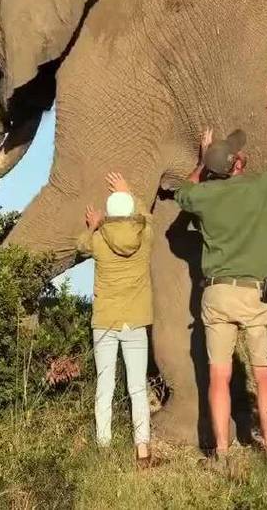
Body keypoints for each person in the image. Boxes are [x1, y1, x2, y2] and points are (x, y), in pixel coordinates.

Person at [165, 81, 267, 463]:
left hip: (216, 296)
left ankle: (224, 451)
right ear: (239, 164)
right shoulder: (262, 188)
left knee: (218, 377)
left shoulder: (204, 196)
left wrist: (202, 159)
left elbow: (182, 193)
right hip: (254, 294)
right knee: (263, 374)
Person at [76, 172, 153, 468]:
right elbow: (146, 215)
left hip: (105, 322)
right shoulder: (145, 236)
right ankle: (143, 451)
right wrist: (129, 190)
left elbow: (79, 246)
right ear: (130, 210)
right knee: (137, 388)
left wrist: (95, 225)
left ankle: (104, 448)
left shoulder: (98, 239)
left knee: (104, 386)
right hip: (135, 321)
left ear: (109, 213)